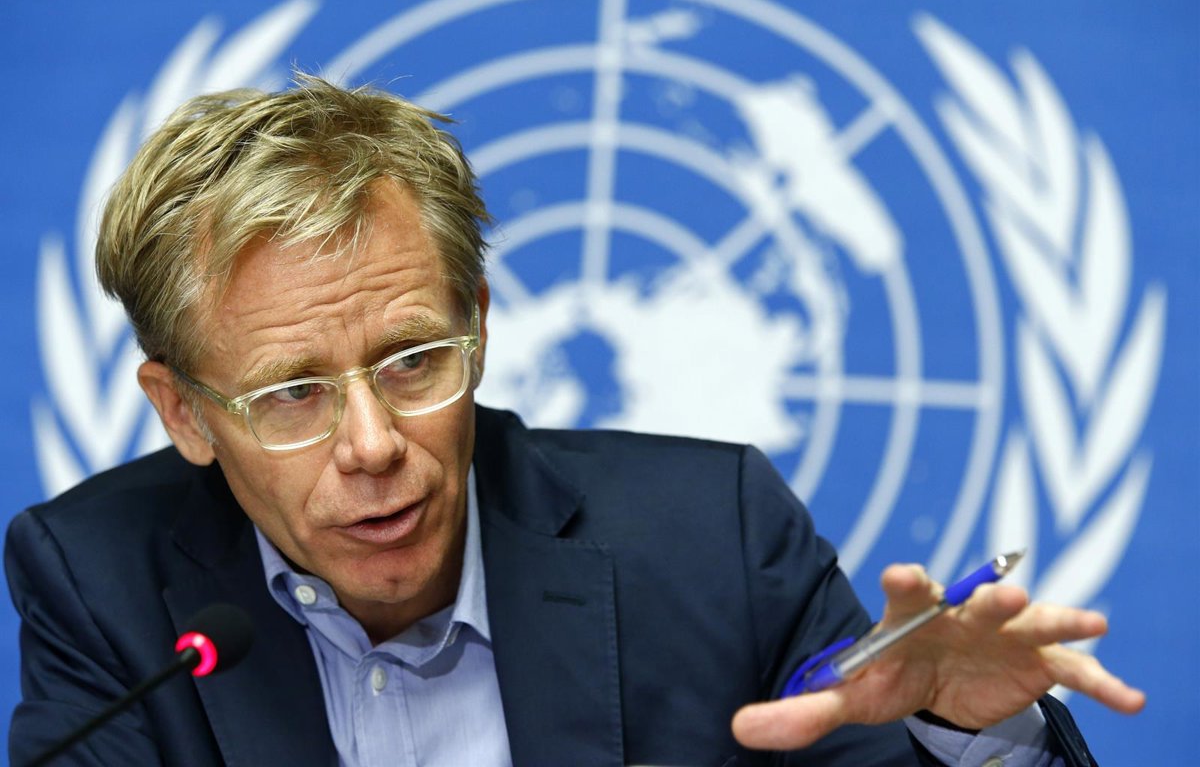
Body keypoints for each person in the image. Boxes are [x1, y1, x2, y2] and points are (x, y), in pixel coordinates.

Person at [5, 73, 1143, 766]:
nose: (372, 444)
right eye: (292, 392)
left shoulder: (714, 538)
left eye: (413, 360)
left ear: (479, 326)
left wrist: (974, 736)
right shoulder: (100, 581)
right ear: (185, 413)